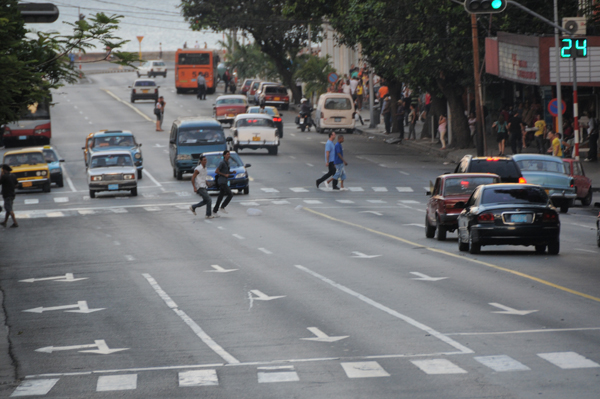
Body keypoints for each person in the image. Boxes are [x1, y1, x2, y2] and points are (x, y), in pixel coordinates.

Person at [213, 150, 234, 216]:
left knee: (220, 196)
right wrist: (224, 175)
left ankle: (215, 210)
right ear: (224, 155)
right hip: (222, 181)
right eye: (227, 154)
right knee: (230, 194)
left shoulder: (227, 162)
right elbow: (216, 171)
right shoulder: (222, 162)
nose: (229, 155)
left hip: (224, 181)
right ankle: (222, 207)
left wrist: (231, 172)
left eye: (229, 154)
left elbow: (226, 171)